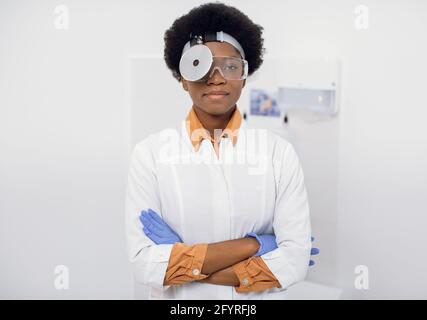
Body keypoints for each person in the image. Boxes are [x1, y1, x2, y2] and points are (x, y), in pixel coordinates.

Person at [125, 2, 315, 300]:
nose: (216, 77)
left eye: (230, 66)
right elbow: (144, 265)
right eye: (198, 65)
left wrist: (180, 261)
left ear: (244, 74)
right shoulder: (149, 154)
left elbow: (294, 262)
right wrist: (253, 246)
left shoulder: (279, 153)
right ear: (182, 78)